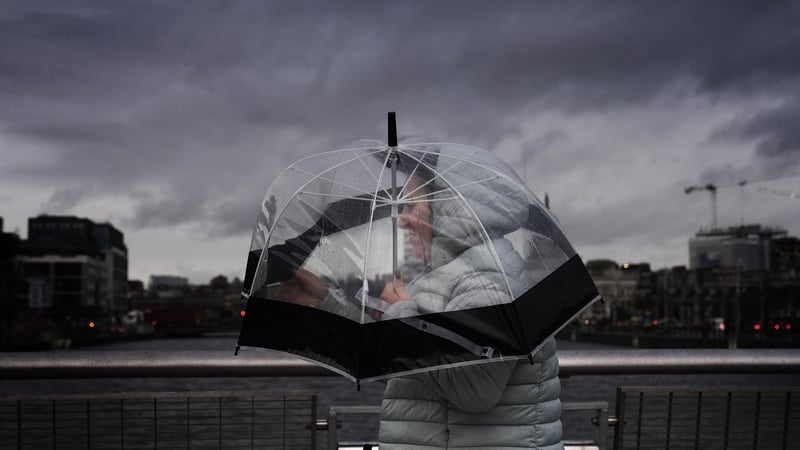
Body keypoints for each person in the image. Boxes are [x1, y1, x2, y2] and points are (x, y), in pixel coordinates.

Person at [280, 161, 564, 449]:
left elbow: (476, 390)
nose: (402, 220)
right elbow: (408, 370)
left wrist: (399, 313)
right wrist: (326, 303)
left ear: (446, 212)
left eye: (412, 207)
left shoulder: (488, 278)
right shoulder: (445, 274)